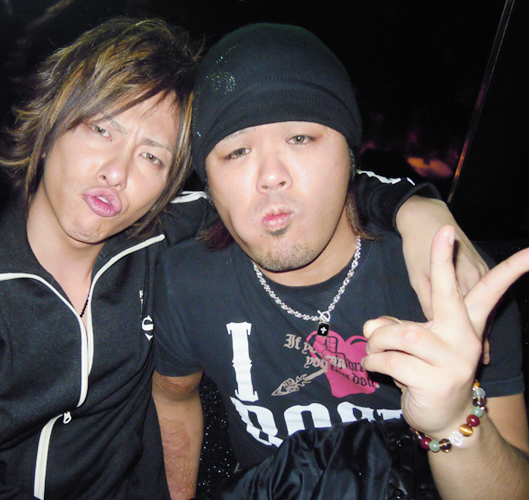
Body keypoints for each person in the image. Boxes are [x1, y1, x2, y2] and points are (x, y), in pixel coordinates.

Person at [0, 18, 490, 500]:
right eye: (101, 128)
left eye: (152, 156)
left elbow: (298, 195)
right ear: (49, 122)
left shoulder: (160, 235)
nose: (117, 173)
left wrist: (417, 208)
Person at [152, 23, 529, 500]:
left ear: (350, 157)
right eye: (238, 151)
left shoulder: (452, 283)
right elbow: (174, 396)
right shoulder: (186, 283)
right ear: (208, 181)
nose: (271, 176)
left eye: (301, 138)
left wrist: (454, 420)